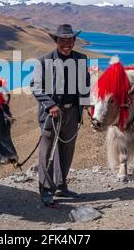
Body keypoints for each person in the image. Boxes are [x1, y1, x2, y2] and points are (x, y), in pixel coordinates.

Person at [30, 24, 90, 207]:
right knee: (47, 152)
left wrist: (86, 106)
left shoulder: (81, 59)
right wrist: (50, 105)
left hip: (72, 112)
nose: (67, 44)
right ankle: (46, 191)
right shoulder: (44, 61)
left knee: (67, 150)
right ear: (56, 41)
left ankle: (62, 185)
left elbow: (85, 84)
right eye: (63, 40)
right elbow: (36, 87)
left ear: (74, 41)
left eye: (70, 40)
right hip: (51, 114)